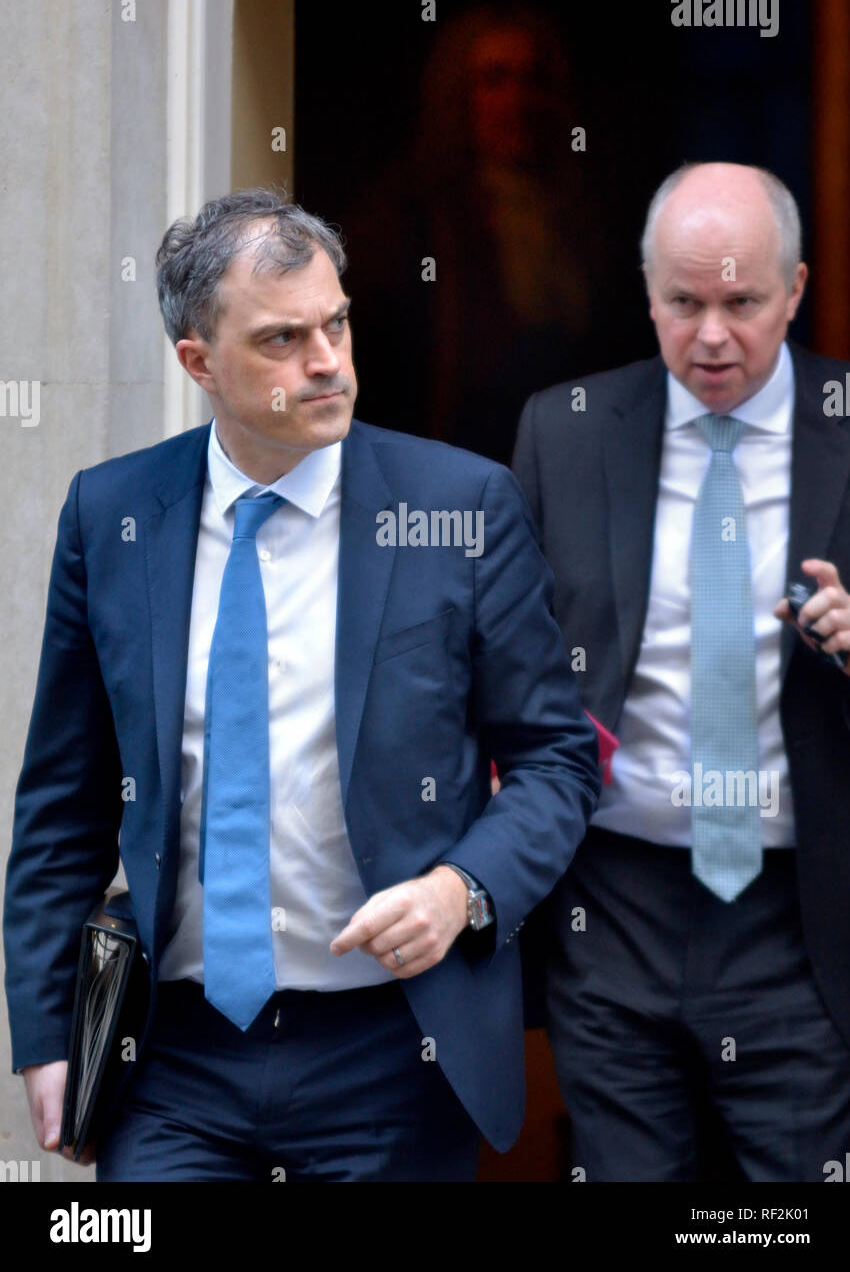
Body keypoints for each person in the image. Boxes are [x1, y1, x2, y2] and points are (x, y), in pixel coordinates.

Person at [4, 188, 600, 1182]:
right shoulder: (112, 516)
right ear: (198, 360)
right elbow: (62, 802)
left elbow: (555, 758)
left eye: (336, 323)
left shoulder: (461, 507)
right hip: (172, 1060)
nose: (326, 361)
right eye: (282, 339)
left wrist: (462, 891)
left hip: (391, 1053)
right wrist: (44, 1031)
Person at [513, 161, 850, 1182]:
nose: (710, 336)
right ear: (644, 290)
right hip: (613, 904)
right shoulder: (562, 432)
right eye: (682, 303)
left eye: (741, 302)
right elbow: (503, 663)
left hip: (801, 913)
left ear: (794, 287)